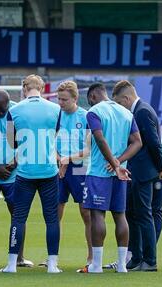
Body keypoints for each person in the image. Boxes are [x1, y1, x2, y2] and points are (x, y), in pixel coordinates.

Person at [0, 75, 62, 273]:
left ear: (24, 88)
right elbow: (55, 134)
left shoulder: (14, 110)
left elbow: (12, 142)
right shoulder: (56, 109)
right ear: (42, 88)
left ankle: (11, 264)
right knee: (51, 218)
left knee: (19, 217)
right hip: (48, 170)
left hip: (25, 171)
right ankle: (52, 265)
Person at [77, 83, 142, 274]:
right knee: (120, 216)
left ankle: (96, 265)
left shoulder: (94, 111)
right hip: (121, 172)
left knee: (97, 215)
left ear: (92, 97)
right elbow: (137, 142)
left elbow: (99, 138)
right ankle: (122, 265)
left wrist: (113, 163)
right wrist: (119, 163)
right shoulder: (126, 113)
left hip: (99, 172)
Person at [112, 80, 162, 272]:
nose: (120, 108)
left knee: (144, 214)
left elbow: (154, 143)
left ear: (127, 98)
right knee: (136, 213)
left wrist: (160, 168)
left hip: (145, 171)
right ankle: (137, 258)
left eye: (120, 103)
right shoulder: (142, 110)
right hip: (143, 169)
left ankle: (149, 260)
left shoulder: (142, 112)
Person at [0, 90, 33, 268]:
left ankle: (19, 257)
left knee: (18, 214)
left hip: (13, 173)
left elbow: (26, 142)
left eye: (3, 110)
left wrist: (13, 164)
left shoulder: (18, 112)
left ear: (9, 104)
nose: (0, 113)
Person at [103, 139, 162, 270]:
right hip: (140, 157)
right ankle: (134, 256)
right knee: (132, 209)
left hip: (152, 156)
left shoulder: (136, 118)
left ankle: (144, 255)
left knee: (150, 209)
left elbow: (148, 137)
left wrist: (160, 165)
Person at [54, 81, 92, 266]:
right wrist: (58, 158)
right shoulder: (55, 116)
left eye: (64, 99)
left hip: (80, 168)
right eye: (59, 99)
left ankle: (92, 257)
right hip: (59, 167)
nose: (61, 103)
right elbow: (49, 142)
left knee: (86, 212)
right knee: (55, 212)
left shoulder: (85, 117)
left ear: (75, 99)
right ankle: (52, 257)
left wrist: (67, 159)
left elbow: (88, 149)